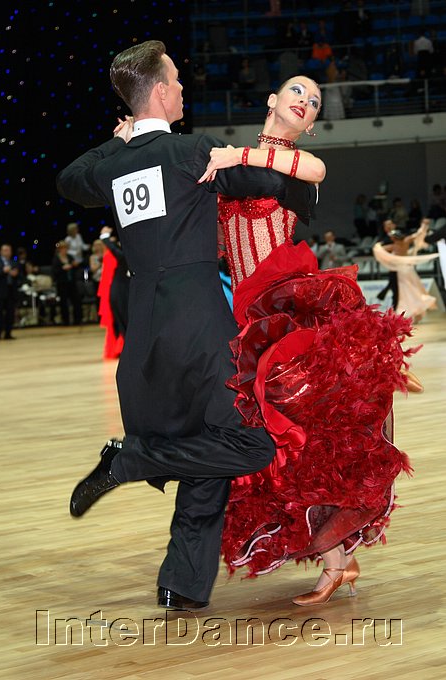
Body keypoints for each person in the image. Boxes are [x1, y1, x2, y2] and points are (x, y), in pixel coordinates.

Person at [56, 40, 316, 611]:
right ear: (158, 91)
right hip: (199, 324)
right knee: (250, 445)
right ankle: (130, 461)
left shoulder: (113, 166)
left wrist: (118, 140)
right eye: (174, 80)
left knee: (207, 443)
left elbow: (68, 180)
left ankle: (183, 581)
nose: (180, 88)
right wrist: (300, 189)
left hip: (145, 332)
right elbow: (270, 186)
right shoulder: (192, 151)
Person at [199, 75, 419, 605]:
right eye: (297, 91)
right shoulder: (230, 167)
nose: (305, 101)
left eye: (314, 101)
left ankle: (337, 557)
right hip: (245, 317)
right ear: (271, 100)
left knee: (301, 435)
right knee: (286, 443)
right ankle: (338, 559)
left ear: (313, 124)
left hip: (285, 308)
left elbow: (316, 170)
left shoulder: (293, 165)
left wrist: (234, 155)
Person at [373, 221, 439, 323]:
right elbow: (417, 234)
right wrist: (424, 227)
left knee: (406, 292)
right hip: (409, 270)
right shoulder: (406, 241)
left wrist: (378, 245)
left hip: (401, 271)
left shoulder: (393, 246)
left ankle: (407, 312)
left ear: (394, 238)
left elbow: (378, 250)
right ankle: (415, 311)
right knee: (413, 289)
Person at [97, 226, 130, 359]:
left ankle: (124, 347)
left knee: (122, 320)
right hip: (119, 290)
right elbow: (117, 253)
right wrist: (105, 238)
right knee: (120, 320)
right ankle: (124, 347)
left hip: (121, 289)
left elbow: (119, 254)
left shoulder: (125, 253)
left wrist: (105, 238)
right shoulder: (120, 253)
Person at [51, 241, 83, 326]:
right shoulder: (56, 259)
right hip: (62, 283)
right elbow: (54, 272)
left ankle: (77, 320)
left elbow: (75, 267)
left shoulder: (70, 257)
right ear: (60, 249)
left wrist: (74, 265)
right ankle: (66, 321)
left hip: (71, 282)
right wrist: (63, 268)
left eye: (66, 248)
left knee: (76, 301)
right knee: (64, 303)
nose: (65, 250)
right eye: (63, 248)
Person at [0, 244, 20, 340]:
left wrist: (16, 274)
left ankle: (8, 333)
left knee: (10, 313)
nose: (7, 252)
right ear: (1, 251)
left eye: (9, 250)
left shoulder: (13, 262)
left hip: (11, 291)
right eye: (5, 250)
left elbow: (19, 276)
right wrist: (3, 271)